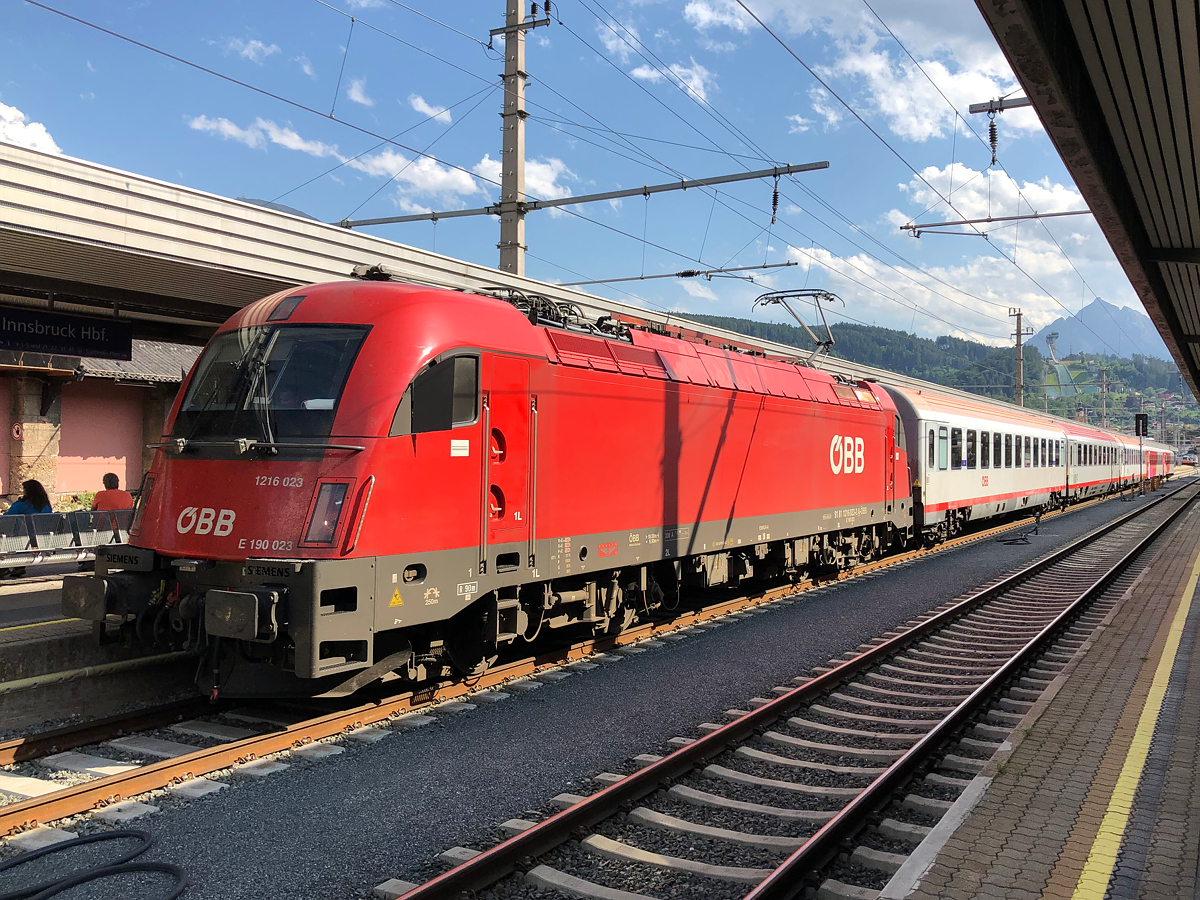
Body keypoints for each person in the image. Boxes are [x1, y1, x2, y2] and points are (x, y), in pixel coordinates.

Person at [2, 480, 52, 578]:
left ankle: (3, 568)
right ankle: (19, 566)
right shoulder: (46, 505)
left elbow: (8, 517)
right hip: (42, 537)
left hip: (23, 537)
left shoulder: (23, 504)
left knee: (5, 535)